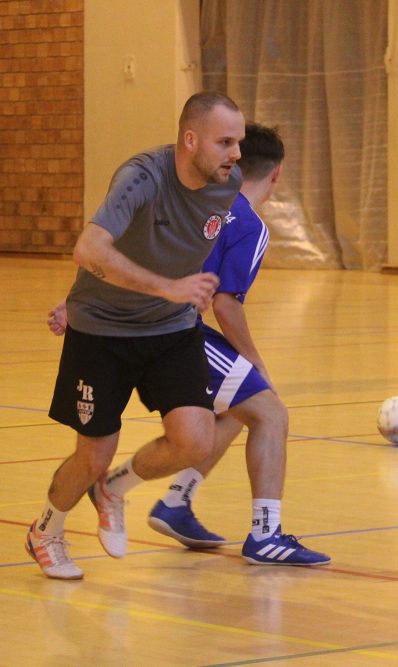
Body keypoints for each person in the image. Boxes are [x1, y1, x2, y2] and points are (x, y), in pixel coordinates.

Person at [48, 123, 330, 566]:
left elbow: (140, 247)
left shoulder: (209, 199)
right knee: (269, 411)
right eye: (223, 142)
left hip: (166, 323)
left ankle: (176, 502)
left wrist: (72, 296)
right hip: (170, 329)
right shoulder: (247, 224)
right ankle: (263, 533)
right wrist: (254, 359)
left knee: (242, 411)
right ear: (276, 176)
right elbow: (225, 303)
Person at [26, 92, 246, 580]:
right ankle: (46, 530)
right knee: (93, 454)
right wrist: (161, 287)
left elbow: (173, 243)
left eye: (240, 142)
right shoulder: (142, 177)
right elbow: (90, 247)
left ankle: (113, 491)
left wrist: (174, 292)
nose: (235, 153)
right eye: (225, 141)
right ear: (191, 140)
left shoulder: (226, 186)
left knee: (195, 440)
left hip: (170, 327)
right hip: (102, 330)